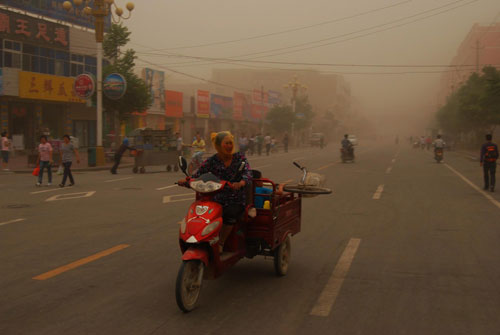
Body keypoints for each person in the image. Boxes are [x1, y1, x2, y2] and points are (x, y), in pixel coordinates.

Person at [178, 131, 251, 253]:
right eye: (226, 143)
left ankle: (221, 243)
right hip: (216, 196)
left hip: (235, 197)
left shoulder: (240, 158)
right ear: (218, 146)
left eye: (230, 143)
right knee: (203, 214)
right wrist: (187, 180)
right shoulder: (212, 160)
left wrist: (241, 183)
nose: (229, 146)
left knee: (230, 214)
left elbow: (248, 173)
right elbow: (198, 174)